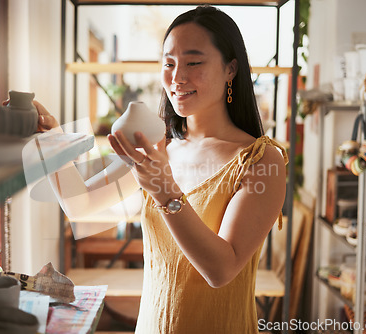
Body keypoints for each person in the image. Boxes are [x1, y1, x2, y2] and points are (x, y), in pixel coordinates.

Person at [35, 5, 288, 333]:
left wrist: (164, 191)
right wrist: (53, 138)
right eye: (169, 63)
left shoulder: (261, 160)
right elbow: (79, 203)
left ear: (231, 68)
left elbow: (221, 270)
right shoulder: (159, 147)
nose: (178, 77)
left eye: (193, 62)